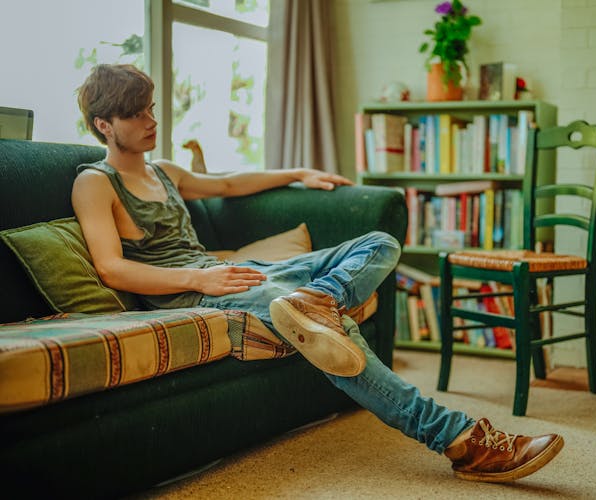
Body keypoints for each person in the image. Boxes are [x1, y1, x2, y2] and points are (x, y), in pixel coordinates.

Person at [71, 64, 564, 484]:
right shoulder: (95, 182)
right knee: (335, 330)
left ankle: (316, 297)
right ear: (104, 124)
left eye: (152, 108)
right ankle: (459, 440)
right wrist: (200, 282)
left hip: (229, 271)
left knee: (380, 242)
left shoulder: (164, 170)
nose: (151, 120)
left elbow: (225, 182)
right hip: (192, 289)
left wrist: (299, 173)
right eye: (136, 113)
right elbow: (112, 269)